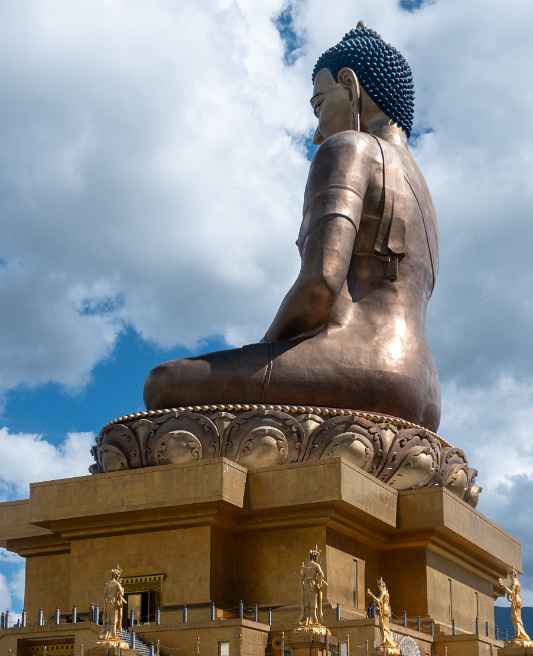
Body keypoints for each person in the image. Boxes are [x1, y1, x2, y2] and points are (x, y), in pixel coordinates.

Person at [144, 22, 440, 432]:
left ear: (349, 84)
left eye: (320, 105)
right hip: (423, 390)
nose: (319, 133)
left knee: (164, 384)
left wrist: (266, 350)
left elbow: (321, 282)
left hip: (358, 365)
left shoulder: (351, 148)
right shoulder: (422, 188)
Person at [498, 570, 532, 646]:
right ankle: (520, 634)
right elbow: (511, 593)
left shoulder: (515, 583)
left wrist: (502, 585)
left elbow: (512, 593)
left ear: (513, 575)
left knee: (515, 617)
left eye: (511, 574)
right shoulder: (516, 582)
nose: (510, 576)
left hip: (516, 600)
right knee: (516, 617)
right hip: (517, 600)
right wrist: (508, 597)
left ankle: (520, 634)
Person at [300, 545, 328, 627]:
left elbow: (302, 578)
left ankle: (308, 619)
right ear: (315, 557)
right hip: (313, 585)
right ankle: (314, 618)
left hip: (306, 586)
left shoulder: (305, 566)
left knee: (307, 602)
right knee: (313, 602)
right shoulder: (316, 566)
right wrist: (319, 581)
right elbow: (322, 575)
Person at [102, 566, 125, 641]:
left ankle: (107, 633)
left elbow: (104, 594)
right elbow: (121, 593)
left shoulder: (107, 584)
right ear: (116, 576)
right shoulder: (117, 584)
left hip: (107, 601)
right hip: (113, 601)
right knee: (114, 618)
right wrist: (122, 588)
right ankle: (113, 634)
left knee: (108, 618)